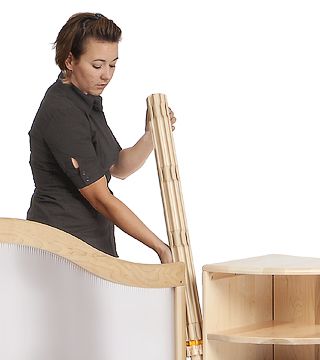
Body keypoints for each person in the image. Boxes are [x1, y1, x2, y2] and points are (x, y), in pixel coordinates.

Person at [27, 12, 175, 263]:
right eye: (97, 65)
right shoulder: (62, 111)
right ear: (70, 60)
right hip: (61, 249)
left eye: (113, 64)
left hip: (95, 244)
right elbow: (100, 197)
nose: (106, 75)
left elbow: (119, 167)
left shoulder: (86, 99)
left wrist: (151, 135)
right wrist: (159, 247)